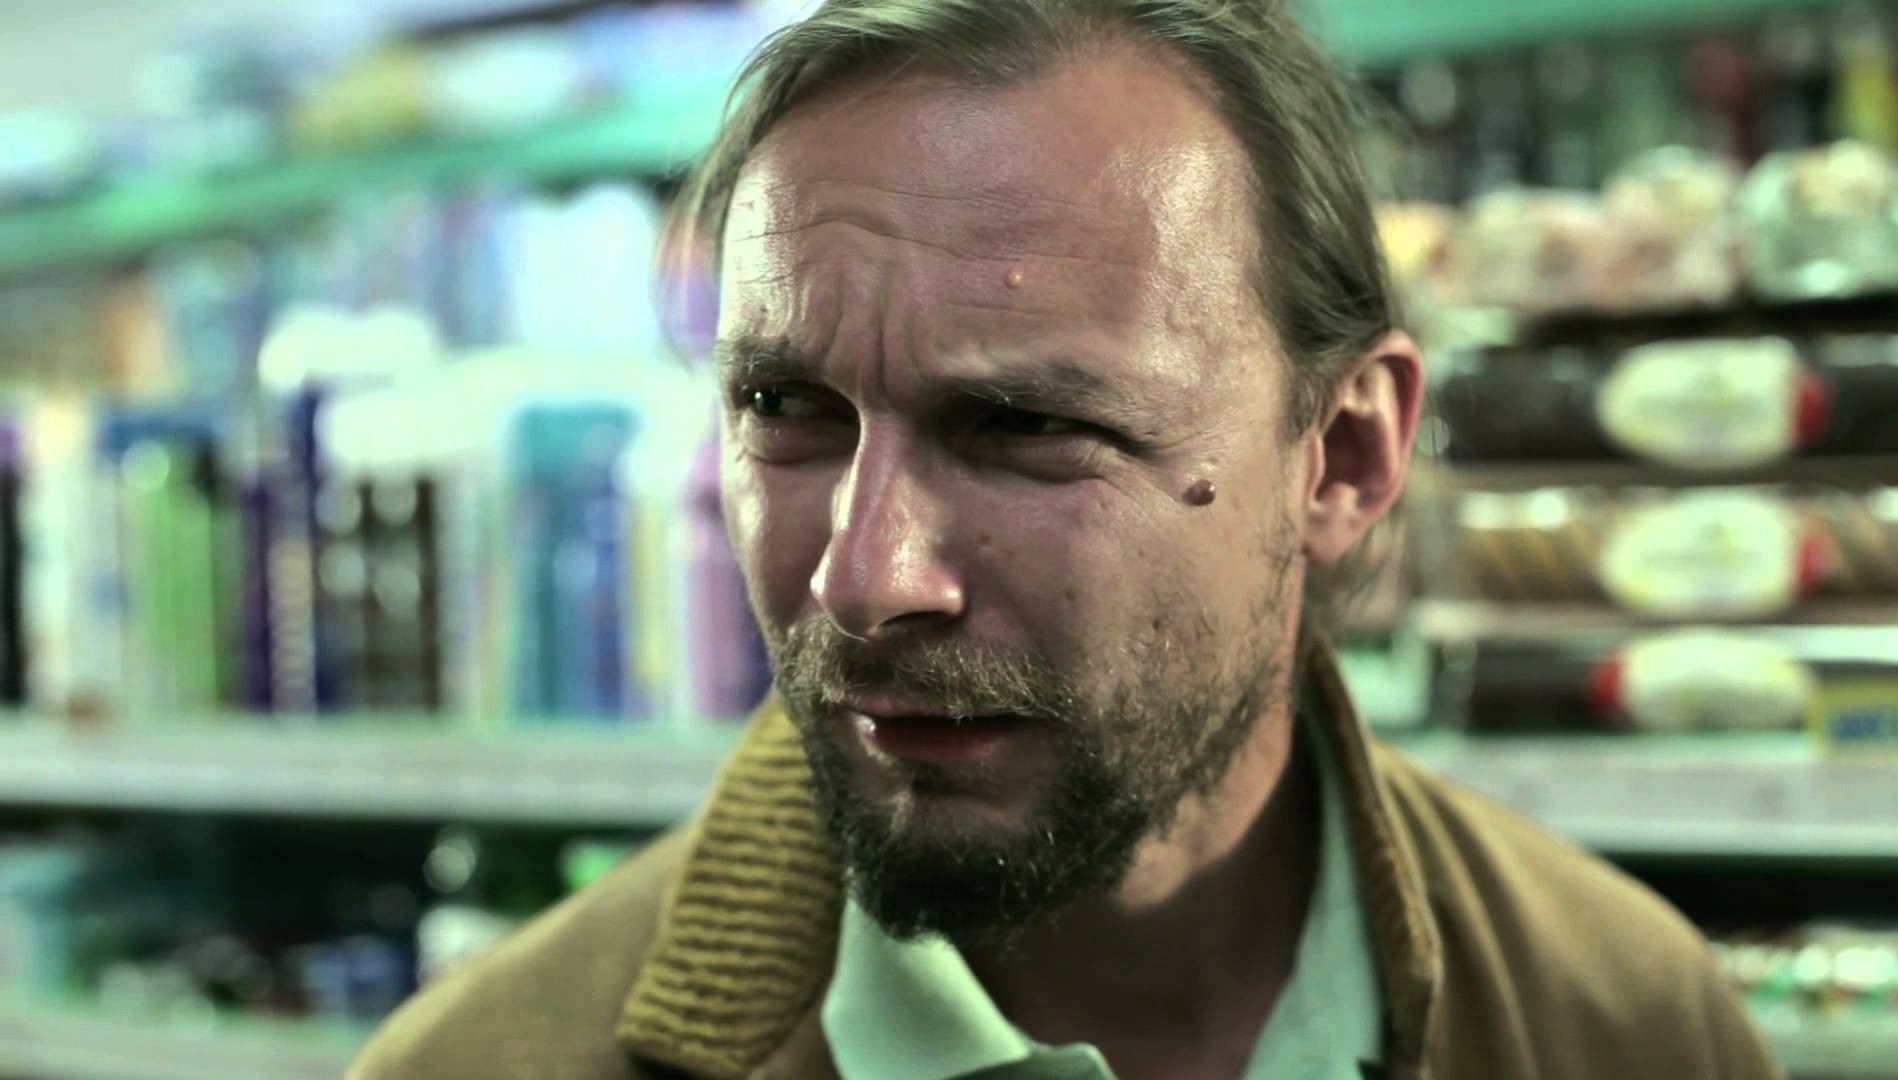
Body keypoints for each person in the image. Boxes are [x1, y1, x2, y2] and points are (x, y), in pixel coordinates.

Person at [352, 1, 1781, 1077]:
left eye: (1026, 426)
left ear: (1342, 456)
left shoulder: (1618, 1023)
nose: (864, 579)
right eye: (786, 409)